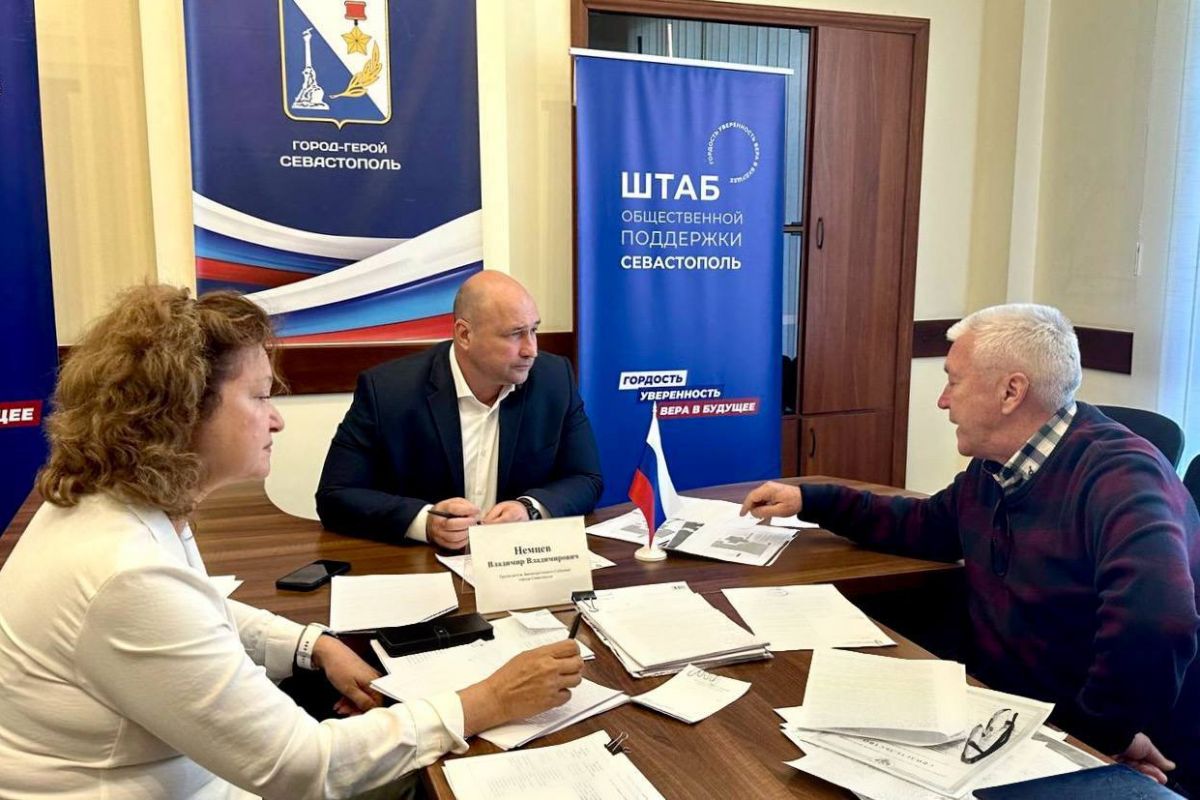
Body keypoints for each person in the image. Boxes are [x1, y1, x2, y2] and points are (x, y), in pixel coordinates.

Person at [0, 286, 584, 799]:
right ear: (183, 412)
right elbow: (304, 768)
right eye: (260, 397)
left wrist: (312, 645)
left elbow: (196, 608)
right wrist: (491, 699)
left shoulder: (116, 507)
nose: (277, 420)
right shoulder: (124, 570)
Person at [741, 303, 1200, 795]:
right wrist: (812, 500)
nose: (943, 401)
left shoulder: (1122, 476)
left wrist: (1101, 737)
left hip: (1079, 738)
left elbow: (1157, 619)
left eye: (953, 381)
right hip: (1003, 711)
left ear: (1011, 392)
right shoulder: (997, 467)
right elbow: (925, 524)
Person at [316, 270, 603, 549]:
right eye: (515, 334)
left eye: (533, 330)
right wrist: (426, 522)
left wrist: (529, 509)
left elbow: (586, 479)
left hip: (517, 562)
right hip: (423, 566)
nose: (531, 350)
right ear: (465, 335)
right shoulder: (388, 391)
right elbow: (335, 495)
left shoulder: (554, 380)